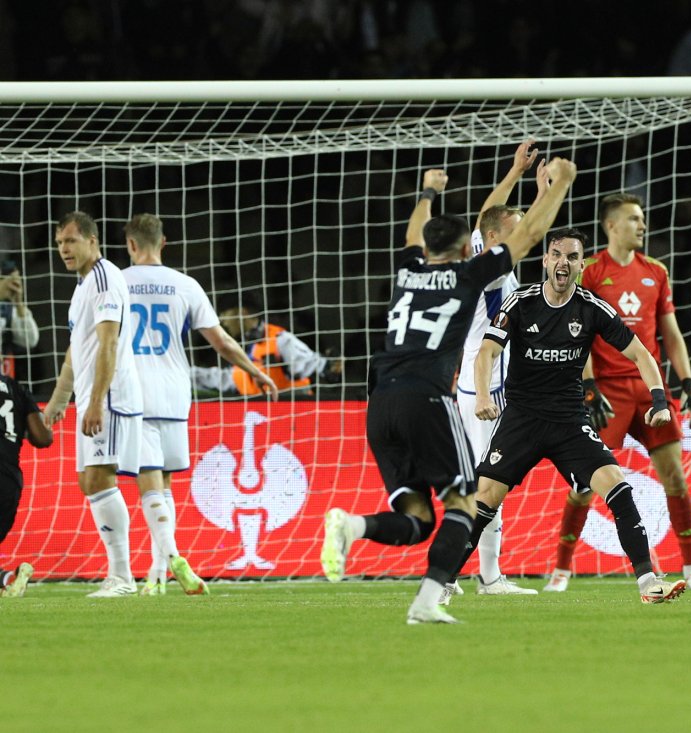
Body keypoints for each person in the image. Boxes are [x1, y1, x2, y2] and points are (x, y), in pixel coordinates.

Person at [321, 159, 578, 624]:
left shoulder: (407, 270)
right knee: (465, 502)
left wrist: (426, 192)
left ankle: (352, 526)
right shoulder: (471, 275)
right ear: (467, 248)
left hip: (380, 402)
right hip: (431, 397)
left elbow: (413, 237)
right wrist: (560, 185)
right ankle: (438, 596)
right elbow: (532, 235)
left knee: (419, 518)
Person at [456, 226, 688, 607]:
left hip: (569, 420)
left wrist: (660, 400)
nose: (564, 263)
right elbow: (486, 353)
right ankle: (443, 579)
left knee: (618, 486)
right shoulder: (519, 302)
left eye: (573, 257)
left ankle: (649, 582)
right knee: (485, 498)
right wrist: (482, 394)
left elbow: (642, 354)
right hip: (522, 418)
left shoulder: (592, 307)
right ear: (546, 260)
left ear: (582, 264)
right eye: (558, 255)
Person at [544, 192, 691, 593]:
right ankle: (561, 571)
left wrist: (687, 383)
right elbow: (576, 333)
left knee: (675, 477)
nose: (642, 225)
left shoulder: (656, 270)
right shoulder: (589, 271)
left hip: (649, 387)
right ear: (611, 226)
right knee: (584, 483)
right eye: (635, 219)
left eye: (642, 218)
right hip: (607, 390)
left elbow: (670, 332)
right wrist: (586, 386)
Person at [122, 213, 279, 596]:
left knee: (148, 483)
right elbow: (222, 342)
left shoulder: (117, 282)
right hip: (176, 392)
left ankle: (173, 557)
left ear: (129, 245)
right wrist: (254, 370)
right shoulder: (185, 285)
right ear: (164, 243)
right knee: (167, 483)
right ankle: (157, 577)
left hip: (134, 392)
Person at [449, 141, 546, 599]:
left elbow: (487, 214)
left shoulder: (485, 254)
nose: (525, 233)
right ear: (494, 242)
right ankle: (476, 577)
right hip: (483, 388)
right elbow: (497, 222)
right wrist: (547, 192)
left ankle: (484, 575)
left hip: (485, 383)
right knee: (487, 483)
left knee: (487, 482)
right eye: (516, 230)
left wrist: (513, 171)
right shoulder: (489, 272)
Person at [44, 211, 144, 597]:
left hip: (111, 396)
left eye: (70, 240)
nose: (63, 249)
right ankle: (118, 575)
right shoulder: (82, 286)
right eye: (58, 243)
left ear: (91, 240)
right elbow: (76, 350)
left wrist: (98, 402)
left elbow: (108, 343)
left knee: (101, 478)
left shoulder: (104, 278)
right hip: (90, 396)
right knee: (89, 482)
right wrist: (59, 400)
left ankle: (122, 577)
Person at [190, 305, 342, 397]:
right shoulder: (245, 350)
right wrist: (184, 373)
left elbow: (316, 365)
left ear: (241, 311)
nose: (222, 320)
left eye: (225, 313)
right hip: (260, 422)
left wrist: (330, 366)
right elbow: (225, 378)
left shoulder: (281, 340)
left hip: (295, 420)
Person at [0, 374, 53, 597]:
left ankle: (5, 578)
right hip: (9, 480)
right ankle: (8, 579)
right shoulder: (16, 388)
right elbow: (43, 438)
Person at [0, 262, 41, 379]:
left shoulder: (10, 310)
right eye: (12, 280)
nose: (16, 285)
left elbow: (31, 340)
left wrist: (19, 304)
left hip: (4, 380)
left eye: (18, 280)